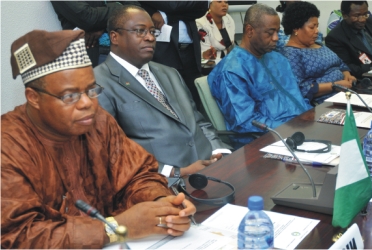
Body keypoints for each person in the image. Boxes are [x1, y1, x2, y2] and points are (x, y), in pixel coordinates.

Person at [1, 29, 195, 248]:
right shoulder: (8, 145)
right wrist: (114, 228)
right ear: (33, 97)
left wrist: (161, 204)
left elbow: (137, 175)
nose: (87, 104)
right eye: (70, 96)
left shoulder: (97, 121)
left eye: (91, 90)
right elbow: (18, 235)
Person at [95, 5, 230, 178]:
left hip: (213, 168)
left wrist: (220, 151)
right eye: (140, 31)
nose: (150, 37)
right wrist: (175, 172)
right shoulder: (100, 83)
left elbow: (199, 122)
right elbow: (110, 152)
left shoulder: (170, 73)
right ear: (115, 37)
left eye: (152, 31)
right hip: (162, 183)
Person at [208, 4, 312, 147]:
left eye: (277, 31)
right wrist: (292, 127)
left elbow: (297, 98)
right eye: (270, 33)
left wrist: (312, 116)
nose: (276, 38)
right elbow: (245, 122)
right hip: (266, 143)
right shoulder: (232, 70)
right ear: (250, 30)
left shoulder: (278, 59)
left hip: (301, 132)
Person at [279, 1, 356, 105]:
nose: (317, 31)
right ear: (296, 28)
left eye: (317, 26)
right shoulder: (291, 54)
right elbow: (301, 88)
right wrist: (335, 85)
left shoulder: (318, 44)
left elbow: (340, 63)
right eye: (312, 27)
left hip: (345, 94)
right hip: (324, 103)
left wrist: (347, 75)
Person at [139, 1, 209, 109]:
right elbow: (172, 4)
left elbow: (203, 5)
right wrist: (182, 8)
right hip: (165, 51)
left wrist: (165, 14)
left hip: (191, 52)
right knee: (170, 101)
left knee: (194, 101)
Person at [50, 1, 140, 67]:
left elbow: (136, 9)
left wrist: (101, 25)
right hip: (95, 54)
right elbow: (87, 17)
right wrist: (119, 6)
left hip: (129, 48)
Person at [325, 1, 372, 78]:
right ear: (345, 15)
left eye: (365, 14)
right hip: (366, 79)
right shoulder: (335, 37)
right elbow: (347, 67)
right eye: (357, 16)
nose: (362, 19)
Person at [196, 0, 235, 64]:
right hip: (210, 64)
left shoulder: (228, 19)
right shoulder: (201, 24)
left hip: (227, 62)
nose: (224, 5)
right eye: (219, 1)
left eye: (226, 2)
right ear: (210, 5)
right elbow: (206, 56)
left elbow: (230, 47)